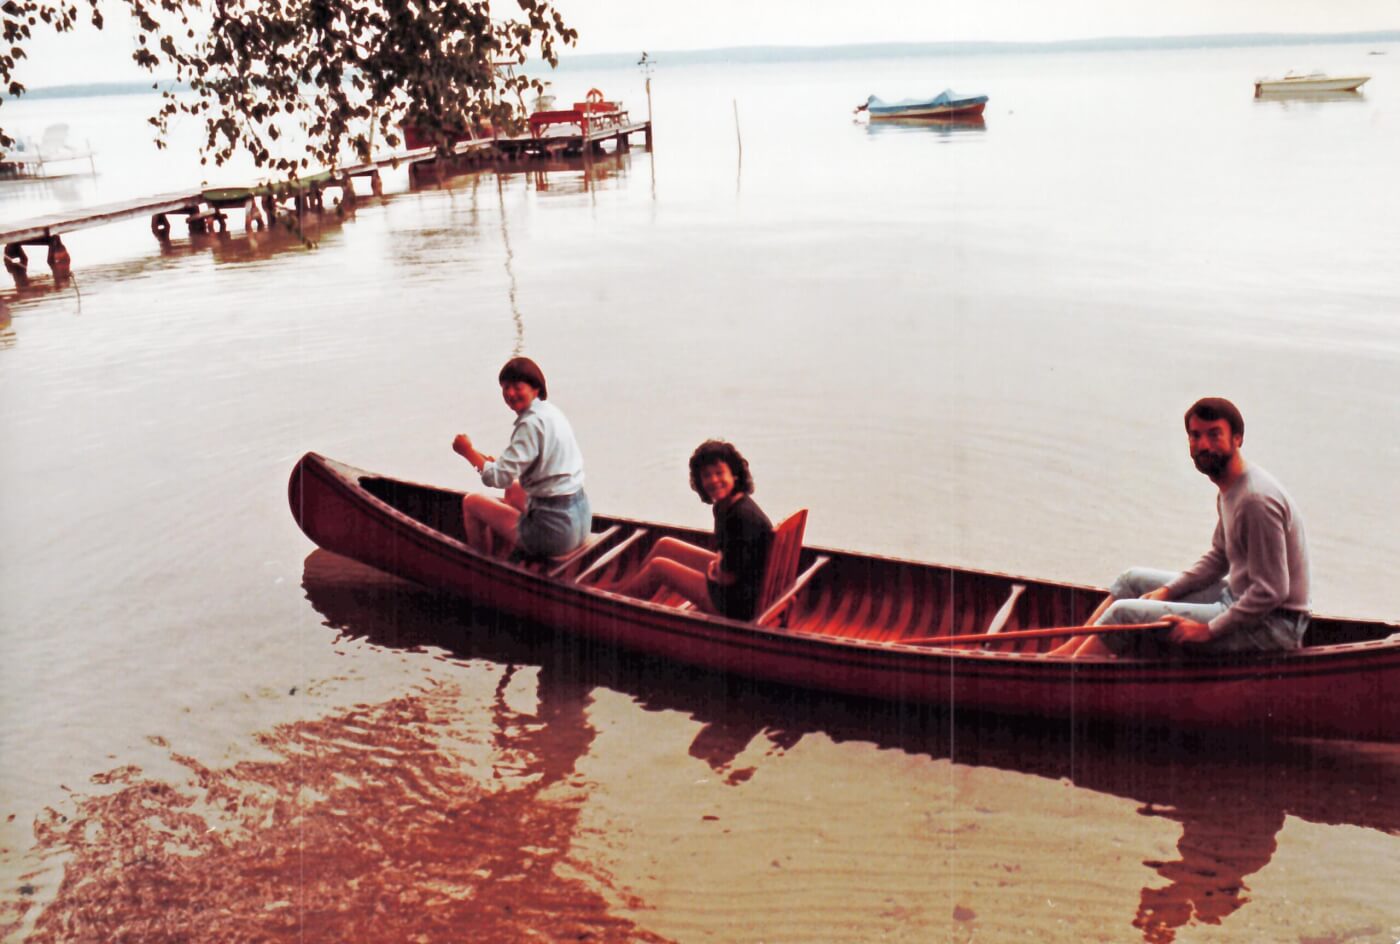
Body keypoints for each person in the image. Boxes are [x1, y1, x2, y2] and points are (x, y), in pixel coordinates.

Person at [1054, 397, 1311, 659]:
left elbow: (1272, 591)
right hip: (1236, 599)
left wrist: (1208, 630)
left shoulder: (1256, 501)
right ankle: (1063, 657)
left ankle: (1069, 675)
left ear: (1237, 438)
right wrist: (1170, 590)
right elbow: (1218, 557)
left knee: (1124, 613)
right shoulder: (1231, 489)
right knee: (1131, 581)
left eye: (1214, 435)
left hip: (1272, 627)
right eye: (1195, 435)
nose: (1203, 445)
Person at [614, 440, 774, 619]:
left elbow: (727, 578)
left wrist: (715, 571)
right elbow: (729, 557)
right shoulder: (727, 505)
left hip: (735, 604)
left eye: (719, 473)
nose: (713, 480)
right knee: (665, 545)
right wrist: (717, 566)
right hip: (740, 587)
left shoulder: (740, 517)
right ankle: (628, 590)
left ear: (735, 474)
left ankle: (616, 607)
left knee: (659, 567)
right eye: (706, 475)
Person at [451, 356, 591, 560]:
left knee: (472, 502)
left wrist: (467, 452)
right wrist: (492, 464)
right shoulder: (551, 413)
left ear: (535, 388)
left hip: (554, 535)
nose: (510, 393)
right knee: (513, 488)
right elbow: (528, 467)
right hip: (580, 519)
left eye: (517, 387)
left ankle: (483, 570)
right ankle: (508, 553)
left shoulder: (529, 426)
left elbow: (496, 479)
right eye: (505, 387)